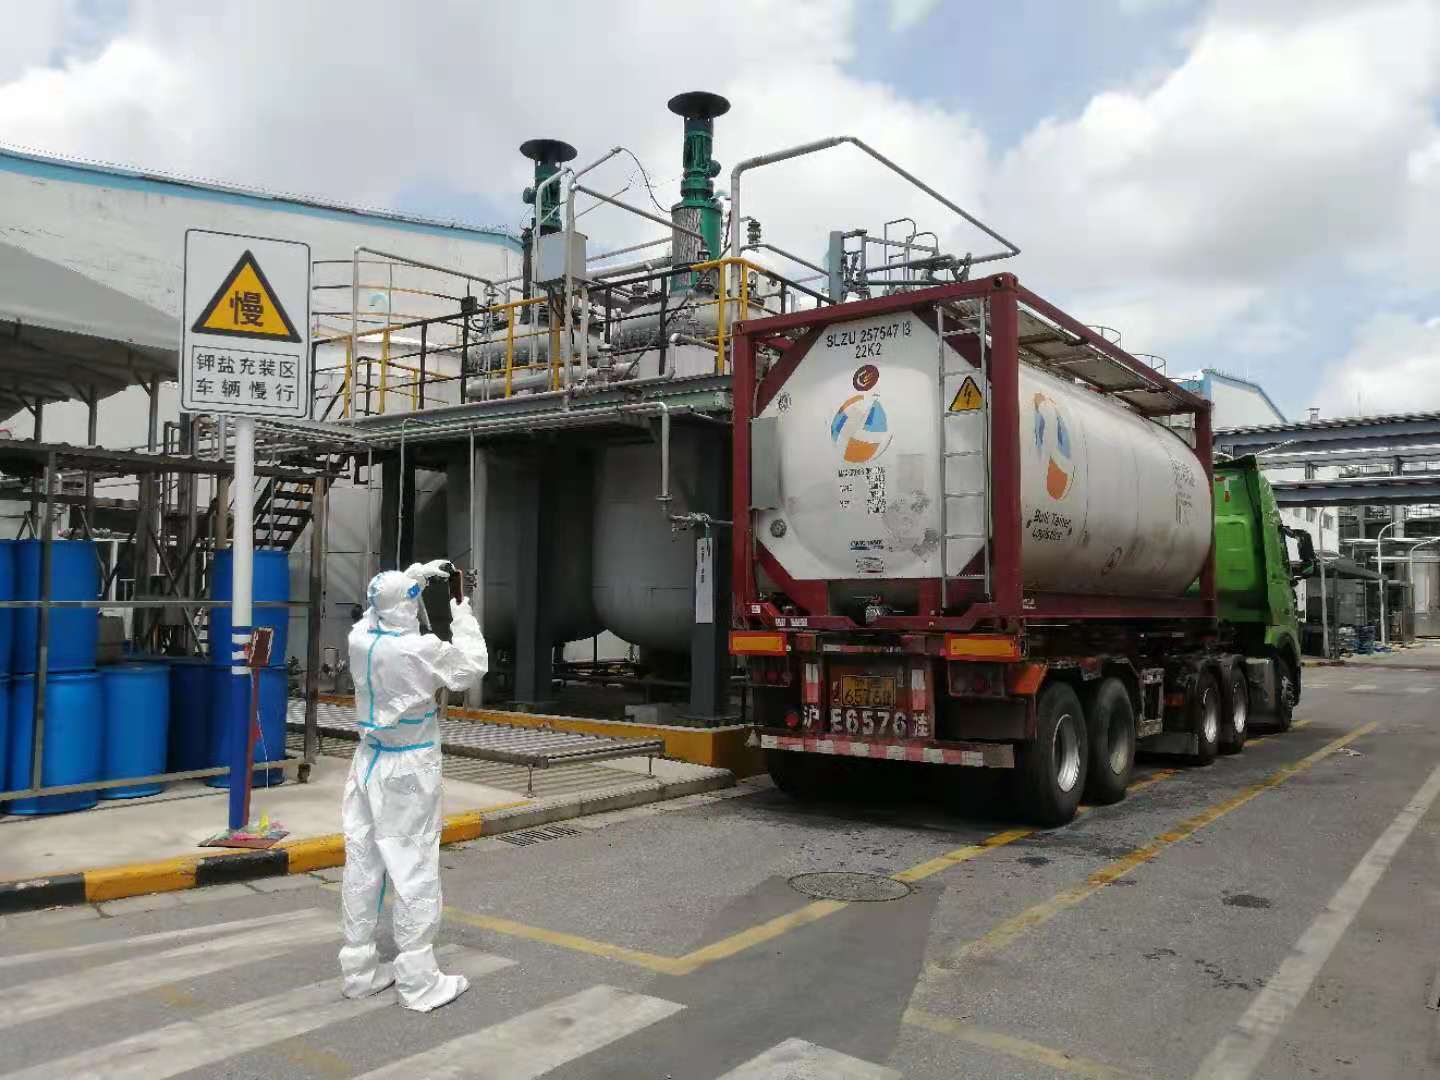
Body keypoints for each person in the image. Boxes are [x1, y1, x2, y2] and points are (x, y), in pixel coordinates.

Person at [339, 560, 488, 1011]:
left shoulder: (360, 638)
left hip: (368, 762)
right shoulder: (419, 649)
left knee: (363, 862)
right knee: (414, 866)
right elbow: (471, 667)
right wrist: (461, 610)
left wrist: (415, 576)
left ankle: (360, 971)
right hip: (408, 767)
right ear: (405, 607)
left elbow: (383, 605)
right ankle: (419, 981)